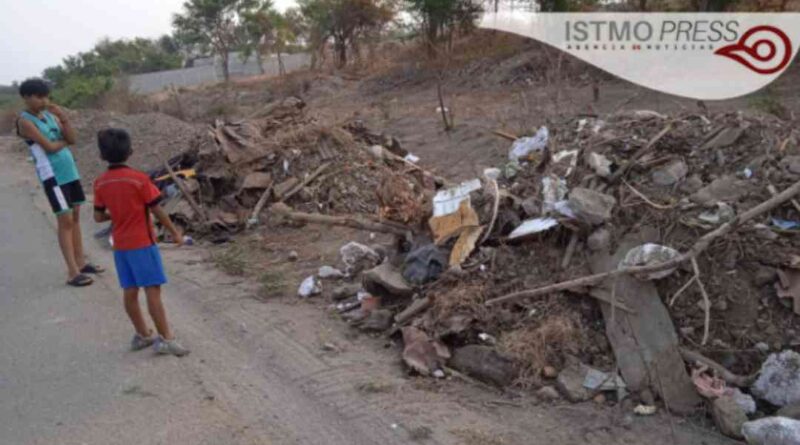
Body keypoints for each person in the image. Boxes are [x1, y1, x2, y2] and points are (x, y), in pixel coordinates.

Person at [93, 128, 189, 356]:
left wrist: (117, 214)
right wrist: (175, 233)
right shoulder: (139, 180)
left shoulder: (100, 183)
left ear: (101, 156)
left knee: (130, 291)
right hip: (142, 244)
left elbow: (98, 217)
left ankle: (143, 334)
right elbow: (157, 210)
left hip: (121, 246)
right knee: (153, 291)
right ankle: (166, 338)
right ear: (131, 152)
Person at [16, 78, 103, 287]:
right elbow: (49, 147)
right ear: (27, 98)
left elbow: (72, 138)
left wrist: (64, 119)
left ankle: (81, 262)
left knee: (74, 217)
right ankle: (72, 272)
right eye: (39, 97)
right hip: (53, 175)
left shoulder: (49, 116)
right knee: (64, 221)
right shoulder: (25, 121)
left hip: (69, 171)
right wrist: (63, 142)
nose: (44, 100)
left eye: (45, 96)